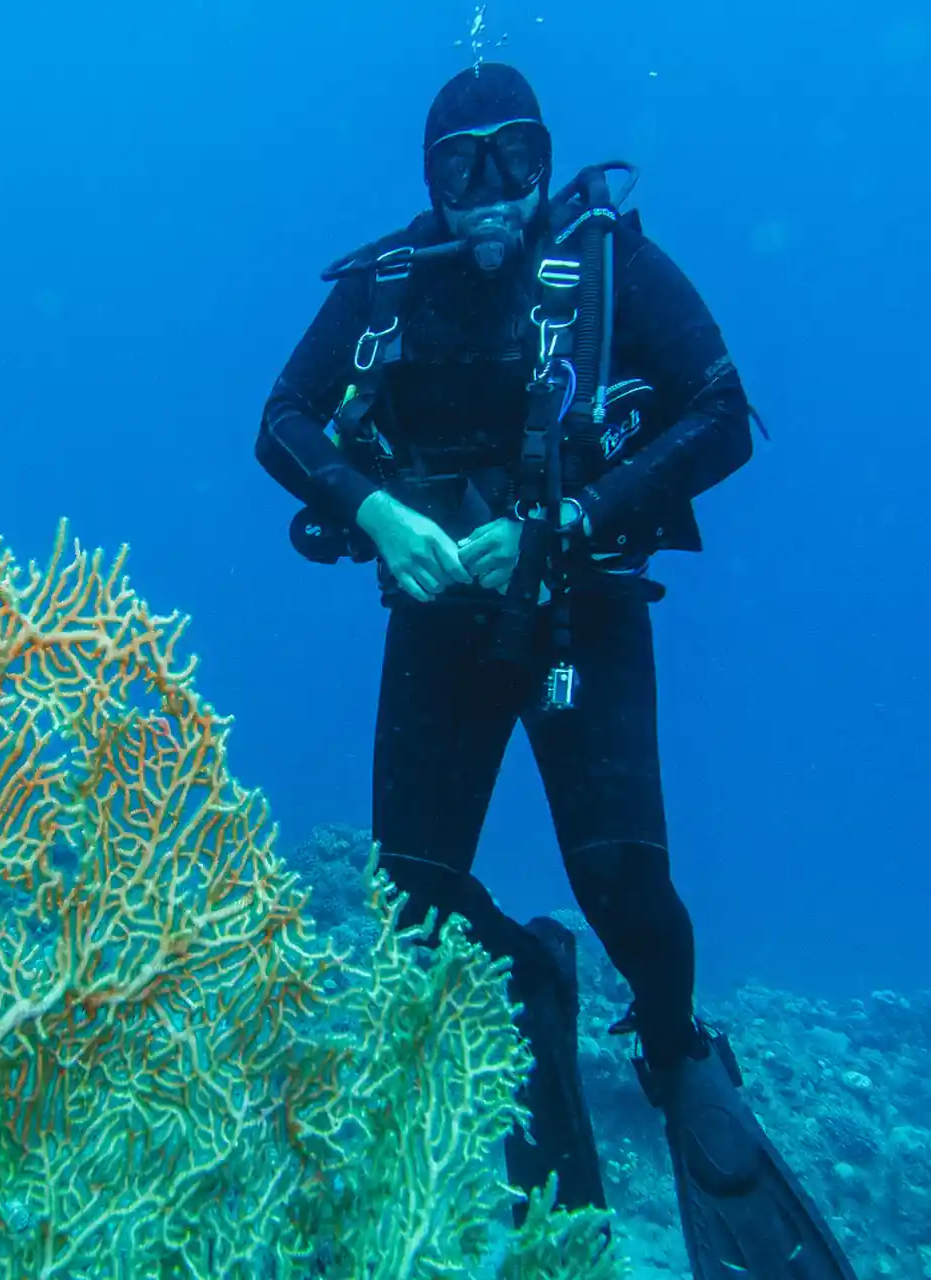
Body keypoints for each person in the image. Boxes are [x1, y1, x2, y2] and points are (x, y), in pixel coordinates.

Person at [255, 62, 857, 1279]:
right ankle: (532, 976)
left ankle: (680, 1050)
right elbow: (280, 418)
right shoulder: (386, 284)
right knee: (412, 899)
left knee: (625, 886)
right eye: (458, 170)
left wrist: (570, 520)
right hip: (441, 622)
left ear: (545, 157)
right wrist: (372, 510)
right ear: (427, 179)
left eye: (513, 162)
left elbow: (724, 413)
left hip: (583, 610)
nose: (489, 198)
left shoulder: (610, 263)